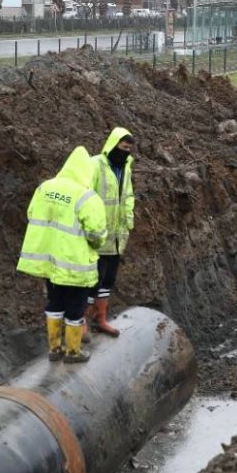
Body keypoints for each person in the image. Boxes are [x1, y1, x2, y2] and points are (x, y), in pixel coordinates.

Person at [16, 146, 107, 363]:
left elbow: (31, 214)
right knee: (75, 307)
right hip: (74, 265)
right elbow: (96, 234)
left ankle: (54, 348)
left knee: (54, 302)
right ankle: (72, 352)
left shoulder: (45, 188)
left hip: (49, 262)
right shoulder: (86, 197)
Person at [84, 127, 136, 340]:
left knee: (108, 279)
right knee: (91, 279)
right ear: (113, 145)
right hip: (98, 233)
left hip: (117, 234)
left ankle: (101, 317)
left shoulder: (126, 167)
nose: (125, 152)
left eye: (128, 149)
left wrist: (129, 219)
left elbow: (128, 194)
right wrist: (91, 226)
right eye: (122, 148)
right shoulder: (95, 165)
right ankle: (83, 322)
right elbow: (86, 196)